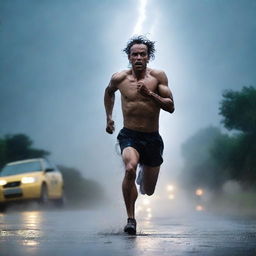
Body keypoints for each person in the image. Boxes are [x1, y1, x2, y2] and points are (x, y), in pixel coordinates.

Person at [104, 36, 174, 235]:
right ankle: (131, 219)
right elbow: (109, 92)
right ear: (129, 57)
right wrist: (109, 117)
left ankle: (143, 174)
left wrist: (150, 94)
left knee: (149, 191)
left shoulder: (158, 77)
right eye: (135, 54)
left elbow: (171, 106)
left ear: (148, 57)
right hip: (129, 135)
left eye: (142, 54)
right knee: (129, 168)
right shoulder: (119, 78)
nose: (138, 57)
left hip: (152, 138)